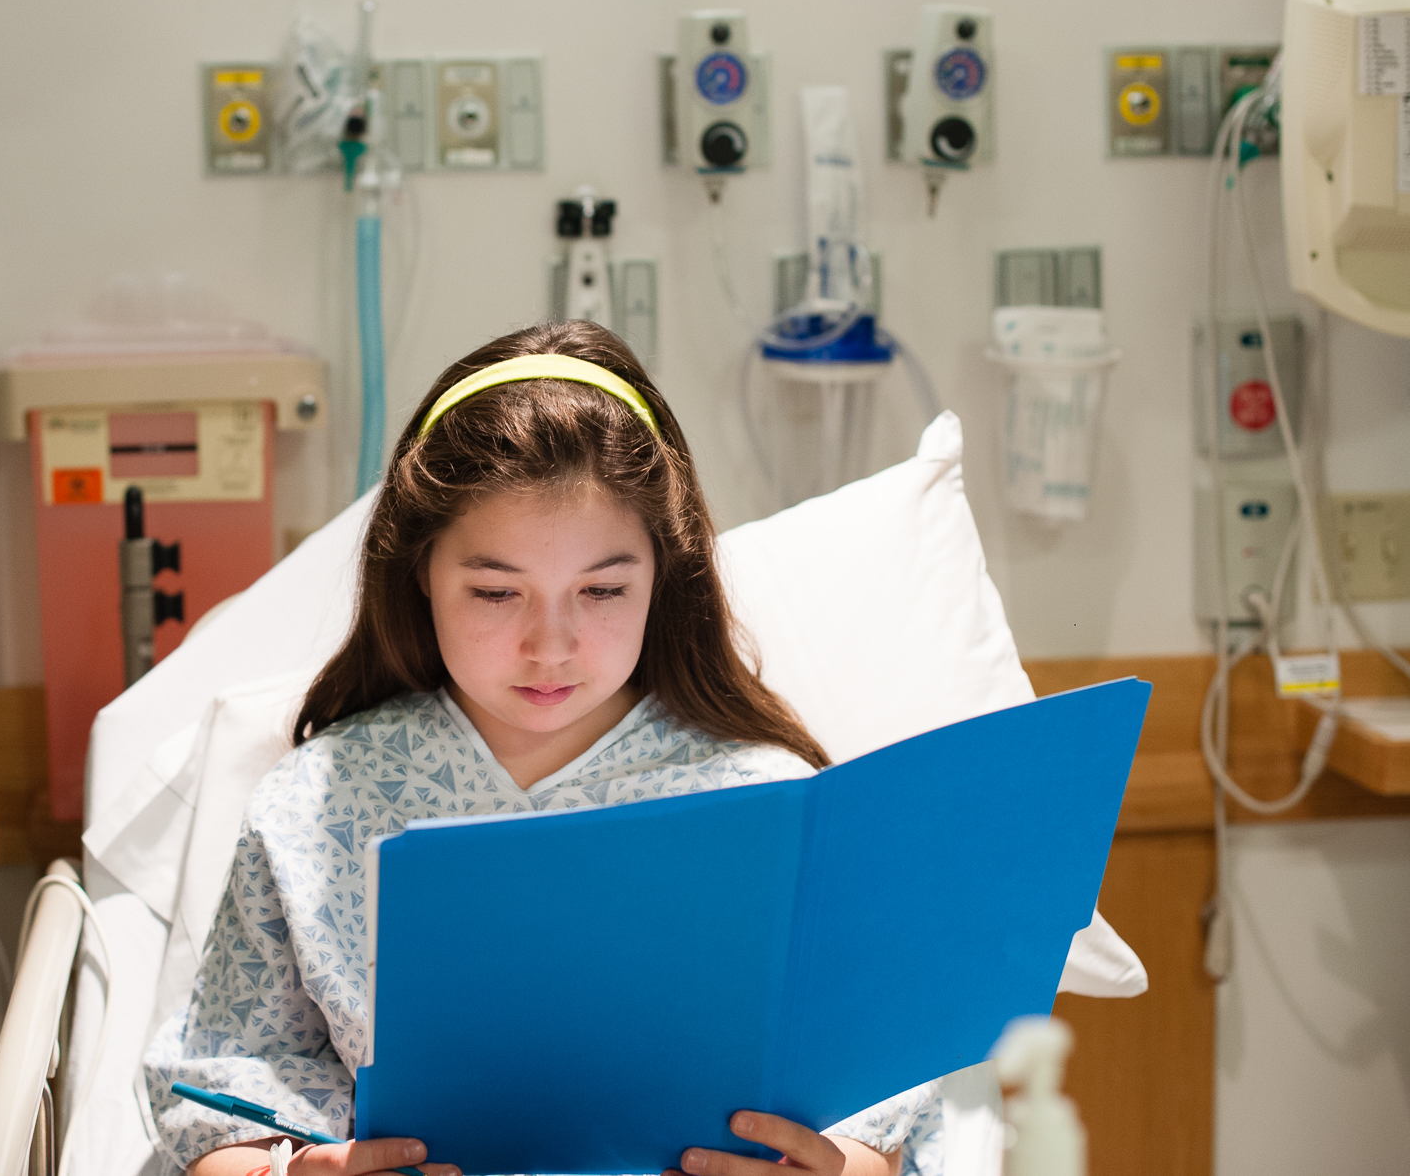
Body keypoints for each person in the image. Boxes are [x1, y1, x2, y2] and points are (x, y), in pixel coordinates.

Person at [144, 322, 941, 1176]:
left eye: (601, 589)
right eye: (495, 591)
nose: (550, 645)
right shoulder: (316, 804)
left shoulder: (768, 804)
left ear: (662, 575)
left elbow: (881, 1098)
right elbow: (217, 1104)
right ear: (420, 572)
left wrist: (846, 1168)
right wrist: (287, 1172)